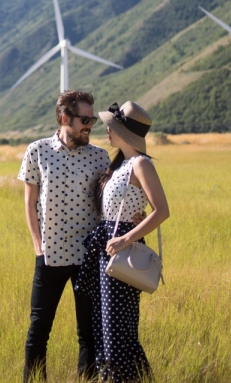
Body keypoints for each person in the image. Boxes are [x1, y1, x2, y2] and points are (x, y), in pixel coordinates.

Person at [18, 90, 144, 382]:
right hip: (49, 256)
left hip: (89, 258)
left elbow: (119, 194)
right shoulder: (37, 151)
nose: (90, 126)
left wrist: (135, 217)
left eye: (92, 121)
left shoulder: (100, 157)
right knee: (38, 330)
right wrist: (38, 247)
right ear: (65, 119)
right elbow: (29, 202)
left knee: (88, 332)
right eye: (85, 120)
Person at [75, 101, 170, 382]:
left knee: (118, 330)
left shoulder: (141, 164)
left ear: (125, 133)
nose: (107, 130)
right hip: (107, 246)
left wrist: (126, 238)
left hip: (121, 249)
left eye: (112, 127)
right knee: (105, 326)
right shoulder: (120, 164)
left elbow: (162, 211)